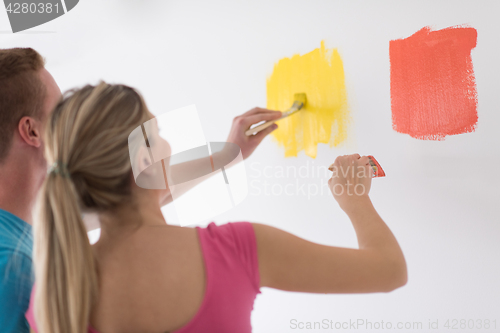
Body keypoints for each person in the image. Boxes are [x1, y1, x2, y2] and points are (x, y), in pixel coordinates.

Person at [25, 82, 407, 333]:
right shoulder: (235, 250)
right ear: (143, 161)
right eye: (158, 135)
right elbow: (390, 271)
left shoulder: (52, 295)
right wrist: (355, 198)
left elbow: (139, 193)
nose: (168, 145)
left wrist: (227, 155)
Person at [0, 48, 62, 333]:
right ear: (32, 131)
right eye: (60, 113)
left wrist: (219, 158)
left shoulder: (19, 236)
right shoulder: (16, 267)